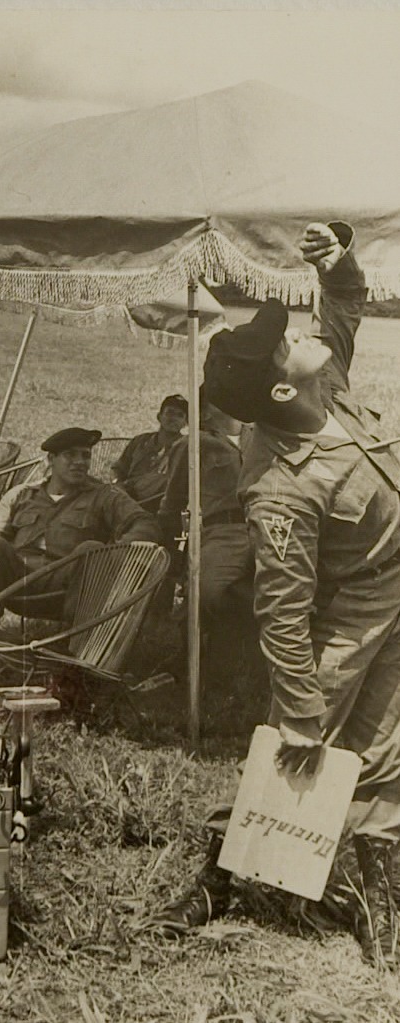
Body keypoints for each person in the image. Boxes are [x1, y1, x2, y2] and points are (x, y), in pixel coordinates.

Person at [156, 222, 400, 967]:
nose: (302, 333)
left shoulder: (322, 388)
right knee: (300, 751)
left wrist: (337, 265)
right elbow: (282, 612)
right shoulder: (280, 491)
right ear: (281, 388)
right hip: (348, 616)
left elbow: (344, 311)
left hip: (396, 602)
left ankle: (381, 882)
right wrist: (298, 708)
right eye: (287, 342)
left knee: (387, 743)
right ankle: (221, 876)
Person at [0, 427, 159, 623]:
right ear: (51, 460)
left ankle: (77, 651)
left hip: (67, 588)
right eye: (70, 455)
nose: (80, 462)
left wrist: (114, 555)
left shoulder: (105, 496)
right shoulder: (22, 494)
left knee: (91, 550)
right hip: (17, 582)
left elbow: (145, 523)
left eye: (85, 455)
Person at [158, 395, 253, 632]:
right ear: (207, 411)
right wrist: (174, 558)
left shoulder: (262, 437)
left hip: (270, 526)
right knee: (206, 592)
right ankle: (194, 651)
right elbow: (172, 503)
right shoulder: (192, 445)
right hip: (225, 531)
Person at [110, 394, 189, 512]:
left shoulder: (185, 447)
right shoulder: (140, 441)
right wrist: (117, 484)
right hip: (124, 496)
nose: (174, 418)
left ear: (185, 423)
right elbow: (118, 468)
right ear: (159, 417)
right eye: (170, 412)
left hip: (155, 505)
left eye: (180, 415)